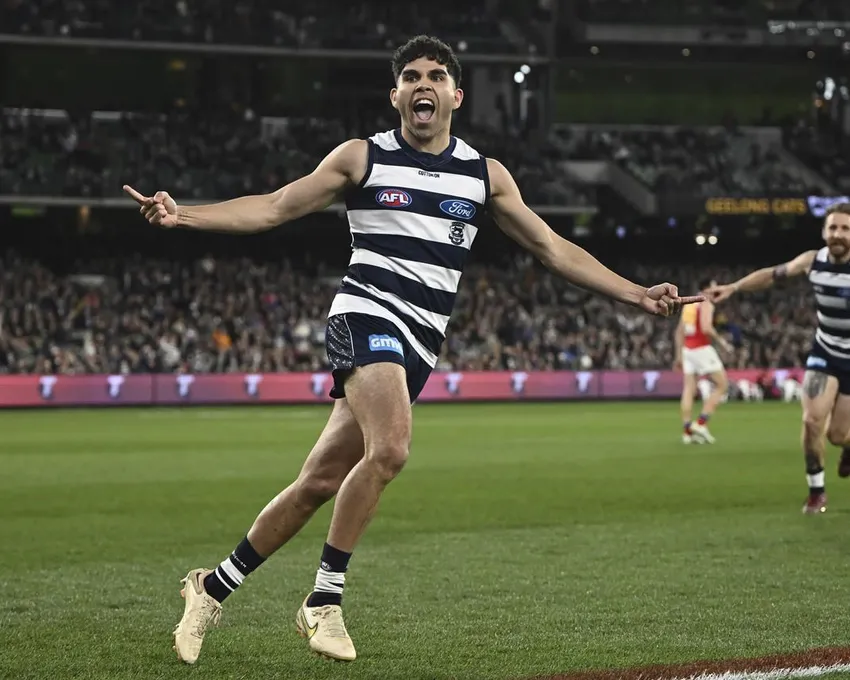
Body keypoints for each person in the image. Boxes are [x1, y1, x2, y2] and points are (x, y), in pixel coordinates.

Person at [124, 35, 701, 665]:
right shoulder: (361, 158)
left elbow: (552, 248)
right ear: (395, 94)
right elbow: (272, 208)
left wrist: (634, 293)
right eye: (410, 77)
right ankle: (324, 601)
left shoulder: (484, 175)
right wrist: (185, 217)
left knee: (317, 483)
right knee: (392, 447)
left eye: (435, 76)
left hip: (420, 344)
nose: (422, 84)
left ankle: (210, 588)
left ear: (456, 94)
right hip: (365, 315)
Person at [707, 202, 850, 515]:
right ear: (824, 231)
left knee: (838, 435)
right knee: (812, 420)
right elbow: (772, 275)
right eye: (833, 228)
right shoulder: (813, 261)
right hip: (825, 353)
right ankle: (816, 491)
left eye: (845, 228)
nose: (838, 234)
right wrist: (734, 287)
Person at [674, 278, 733, 444]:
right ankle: (701, 423)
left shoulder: (689, 304)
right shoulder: (706, 303)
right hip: (702, 348)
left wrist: (678, 355)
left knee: (689, 390)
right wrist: (723, 343)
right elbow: (706, 327)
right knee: (722, 385)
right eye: (715, 287)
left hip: (688, 350)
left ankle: (687, 432)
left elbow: (679, 331)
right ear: (707, 289)